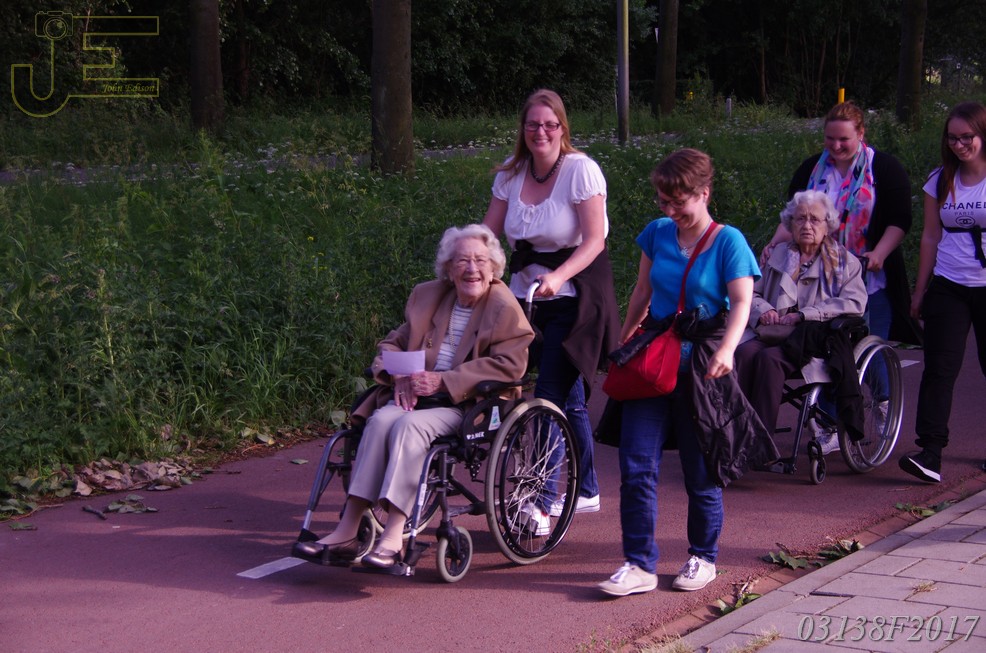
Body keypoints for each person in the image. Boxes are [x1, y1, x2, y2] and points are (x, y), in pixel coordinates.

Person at [294, 224, 534, 568]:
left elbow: (511, 364)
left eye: (481, 261)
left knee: (409, 428)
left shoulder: (503, 306)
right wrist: (399, 373)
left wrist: (444, 380)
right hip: (417, 398)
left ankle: (394, 535)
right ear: (448, 268)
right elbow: (392, 343)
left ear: (494, 267)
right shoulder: (428, 296)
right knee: (380, 421)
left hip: (467, 403)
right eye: (462, 261)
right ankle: (347, 528)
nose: (472, 269)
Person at [598, 148, 776, 597]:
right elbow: (643, 290)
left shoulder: (729, 242)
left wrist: (729, 349)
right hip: (652, 365)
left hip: (701, 367)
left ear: (704, 193)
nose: (670, 211)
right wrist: (624, 338)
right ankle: (639, 564)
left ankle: (703, 556)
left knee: (701, 471)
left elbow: (742, 302)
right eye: (663, 201)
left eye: (679, 202)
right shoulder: (657, 233)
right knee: (636, 466)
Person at [483, 88, 620, 526]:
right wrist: (468, 265)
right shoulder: (512, 174)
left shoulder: (580, 170)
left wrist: (559, 277)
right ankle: (588, 489)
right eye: (532, 124)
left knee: (548, 397)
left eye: (549, 124)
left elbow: (595, 240)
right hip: (524, 301)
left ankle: (541, 501)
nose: (540, 132)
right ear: (522, 129)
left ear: (562, 128)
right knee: (569, 400)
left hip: (573, 297)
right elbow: (487, 234)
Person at [762, 101, 920, 448]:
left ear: (861, 134)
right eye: (829, 139)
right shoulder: (812, 169)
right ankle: (829, 422)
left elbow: (899, 220)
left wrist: (879, 253)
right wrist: (774, 244)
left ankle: (882, 402)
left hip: (867, 273)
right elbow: (794, 216)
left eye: (843, 139)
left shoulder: (885, 169)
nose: (835, 146)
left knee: (868, 346)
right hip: (818, 280)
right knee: (830, 351)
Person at [735, 190, 867, 451]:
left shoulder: (844, 262)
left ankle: (760, 445)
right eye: (800, 219)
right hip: (774, 331)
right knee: (743, 353)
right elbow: (751, 293)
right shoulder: (776, 255)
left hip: (813, 340)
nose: (807, 225)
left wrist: (806, 314)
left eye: (814, 219)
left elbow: (854, 303)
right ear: (790, 224)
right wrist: (764, 310)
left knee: (769, 360)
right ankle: (735, 434)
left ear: (828, 225)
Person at [899, 101, 986, 483]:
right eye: (952, 138)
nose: (959, 145)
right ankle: (930, 453)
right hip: (949, 284)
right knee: (939, 369)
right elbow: (930, 237)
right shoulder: (940, 180)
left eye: (967, 137)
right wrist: (920, 292)